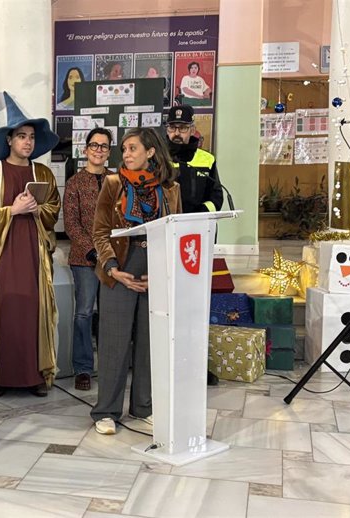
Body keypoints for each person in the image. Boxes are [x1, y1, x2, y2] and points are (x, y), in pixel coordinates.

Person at [90, 128, 181, 435]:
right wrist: (113, 268)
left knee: (147, 343)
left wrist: (162, 272)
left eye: (132, 148)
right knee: (114, 343)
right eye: (124, 149)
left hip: (154, 271)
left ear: (151, 152)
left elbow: (175, 232)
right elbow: (100, 231)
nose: (125, 154)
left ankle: (143, 406)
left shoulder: (170, 189)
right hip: (120, 269)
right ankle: (106, 411)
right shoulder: (113, 184)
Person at [0, 92, 61, 398]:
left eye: (31, 137)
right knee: (6, 309)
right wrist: (11, 211)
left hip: (33, 252)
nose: (27, 142)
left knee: (33, 309)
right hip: (3, 252)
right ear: (9, 140)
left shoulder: (43, 173)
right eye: (21, 136)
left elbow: (53, 210)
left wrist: (38, 210)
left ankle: (36, 375)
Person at [164, 104, 223, 386]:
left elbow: (217, 198)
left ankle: (196, 364)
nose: (178, 133)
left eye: (183, 128)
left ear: (192, 130)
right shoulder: (156, 158)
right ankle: (166, 362)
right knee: (168, 306)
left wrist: (200, 211)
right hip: (165, 242)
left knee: (195, 307)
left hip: (197, 244)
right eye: (173, 128)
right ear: (167, 129)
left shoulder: (206, 159)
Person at [63, 127, 113, 391]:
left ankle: (110, 364)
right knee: (83, 313)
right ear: (85, 150)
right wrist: (92, 251)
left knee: (109, 313)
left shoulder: (117, 181)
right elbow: (71, 224)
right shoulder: (74, 183)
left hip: (114, 259)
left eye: (104, 146)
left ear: (109, 152)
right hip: (84, 260)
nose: (98, 150)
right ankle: (83, 368)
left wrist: (110, 253)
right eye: (94, 145)